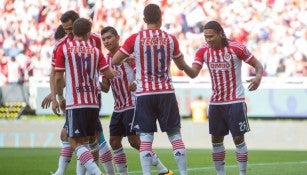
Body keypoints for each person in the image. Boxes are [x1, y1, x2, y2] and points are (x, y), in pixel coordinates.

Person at [112, 4, 189, 175]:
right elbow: (181, 65)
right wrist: (192, 72)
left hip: (145, 93)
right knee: (175, 136)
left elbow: (115, 60)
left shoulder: (135, 39)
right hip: (166, 92)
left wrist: (131, 57)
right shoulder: (171, 39)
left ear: (144, 20)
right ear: (161, 19)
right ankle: (184, 173)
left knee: (146, 138)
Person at [182, 20, 264, 175]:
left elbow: (258, 65)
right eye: (205, 37)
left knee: (238, 139)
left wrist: (258, 77)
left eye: (211, 36)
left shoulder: (236, 48)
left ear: (220, 34)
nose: (208, 40)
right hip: (216, 102)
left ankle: (242, 173)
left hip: (235, 101)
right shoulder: (202, 51)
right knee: (216, 140)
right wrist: (181, 64)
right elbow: (193, 73)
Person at [42, 10, 115, 175]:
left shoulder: (87, 42)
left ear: (76, 25)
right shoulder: (64, 44)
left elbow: (60, 75)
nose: (67, 32)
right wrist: (55, 95)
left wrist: (59, 95)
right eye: (65, 29)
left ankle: (94, 172)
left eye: (69, 29)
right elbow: (57, 74)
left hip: (79, 98)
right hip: (86, 97)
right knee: (83, 138)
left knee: (81, 138)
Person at [100, 26, 173, 175]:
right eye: (104, 39)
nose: (106, 41)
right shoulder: (105, 60)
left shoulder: (129, 55)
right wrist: (91, 82)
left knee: (134, 141)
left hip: (133, 104)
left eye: (109, 37)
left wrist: (136, 83)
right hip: (118, 107)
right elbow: (106, 87)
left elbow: (142, 74)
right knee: (114, 141)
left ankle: (162, 170)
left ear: (117, 37)